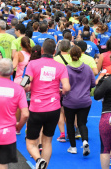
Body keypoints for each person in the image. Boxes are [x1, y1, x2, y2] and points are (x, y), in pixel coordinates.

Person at [24, 39, 70, 169]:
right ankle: (43, 165)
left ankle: (38, 160)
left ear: (42, 51)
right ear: (55, 52)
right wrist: (60, 92)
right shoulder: (61, 67)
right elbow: (66, 87)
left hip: (36, 108)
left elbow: (25, 84)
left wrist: (27, 87)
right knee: (47, 141)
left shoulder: (32, 64)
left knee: (31, 143)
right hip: (53, 108)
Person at [63, 46, 95, 155]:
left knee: (70, 123)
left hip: (70, 101)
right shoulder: (87, 68)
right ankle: (85, 141)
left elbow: (62, 86)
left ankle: (73, 147)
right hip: (85, 101)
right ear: (81, 54)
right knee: (82, 123)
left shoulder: (66, 69)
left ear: (70, 55)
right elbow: (93, 83)